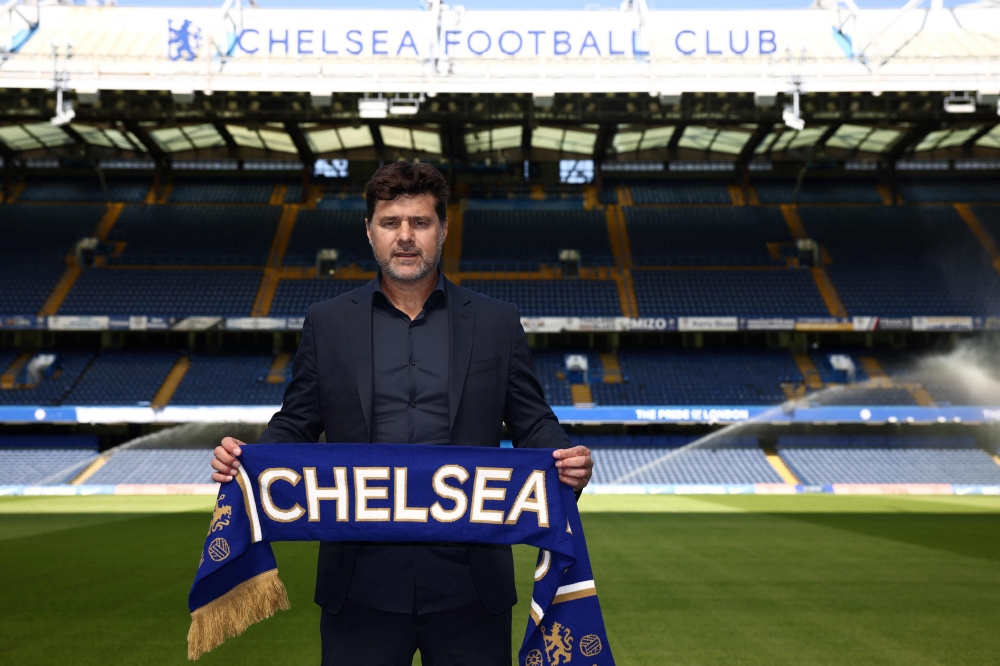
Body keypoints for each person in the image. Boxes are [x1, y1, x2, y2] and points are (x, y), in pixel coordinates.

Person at [211, 162, 593, 666]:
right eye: (391, 223)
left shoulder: (497, 323)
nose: (406, 237)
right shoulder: (327, 324)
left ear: (444, 229)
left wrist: (566, 454)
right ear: (369, 231)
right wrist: (248, 458)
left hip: (473, 589)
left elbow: (532, 421)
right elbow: (297, 421)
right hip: (359, 588)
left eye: (421, 222)